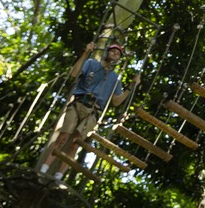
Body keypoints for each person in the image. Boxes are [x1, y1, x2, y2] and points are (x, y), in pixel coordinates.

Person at [39, 41, 140, 180]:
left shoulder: (115, 78)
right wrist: (86, 53)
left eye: (118, 54)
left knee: (76, 143)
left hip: (94, 110)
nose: (115, 55)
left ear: (118, 59)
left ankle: (58, 176)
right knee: (62, 138)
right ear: (107, 52)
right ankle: (43, 169)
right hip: (79, 103)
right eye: (113, 51)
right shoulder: (92, 64)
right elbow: (74, 74)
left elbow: (116, 101)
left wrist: (131, 86)